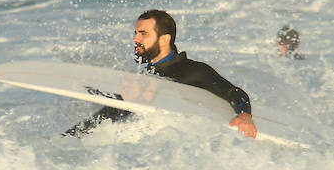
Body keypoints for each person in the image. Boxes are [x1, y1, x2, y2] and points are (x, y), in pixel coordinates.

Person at [65, 9, 257, 138]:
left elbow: (234, 92)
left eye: (143, 33)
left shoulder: (193, 71)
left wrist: (245, 116)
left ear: (164, 39)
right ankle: (69, 138)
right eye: (135, 33)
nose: (135, 38)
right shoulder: (148, 76)